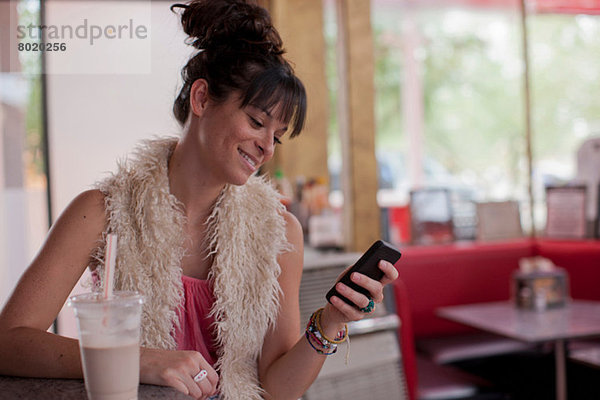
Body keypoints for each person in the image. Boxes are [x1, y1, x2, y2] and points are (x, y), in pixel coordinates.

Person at [0, 1, 399, 399]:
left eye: (276, 137)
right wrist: (145, 359)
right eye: (257, 122)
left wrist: (329, 322)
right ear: (202, 98)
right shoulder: (103, 212)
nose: (266, 148)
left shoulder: (279, 234)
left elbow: (278, 389)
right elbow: (9, 341)